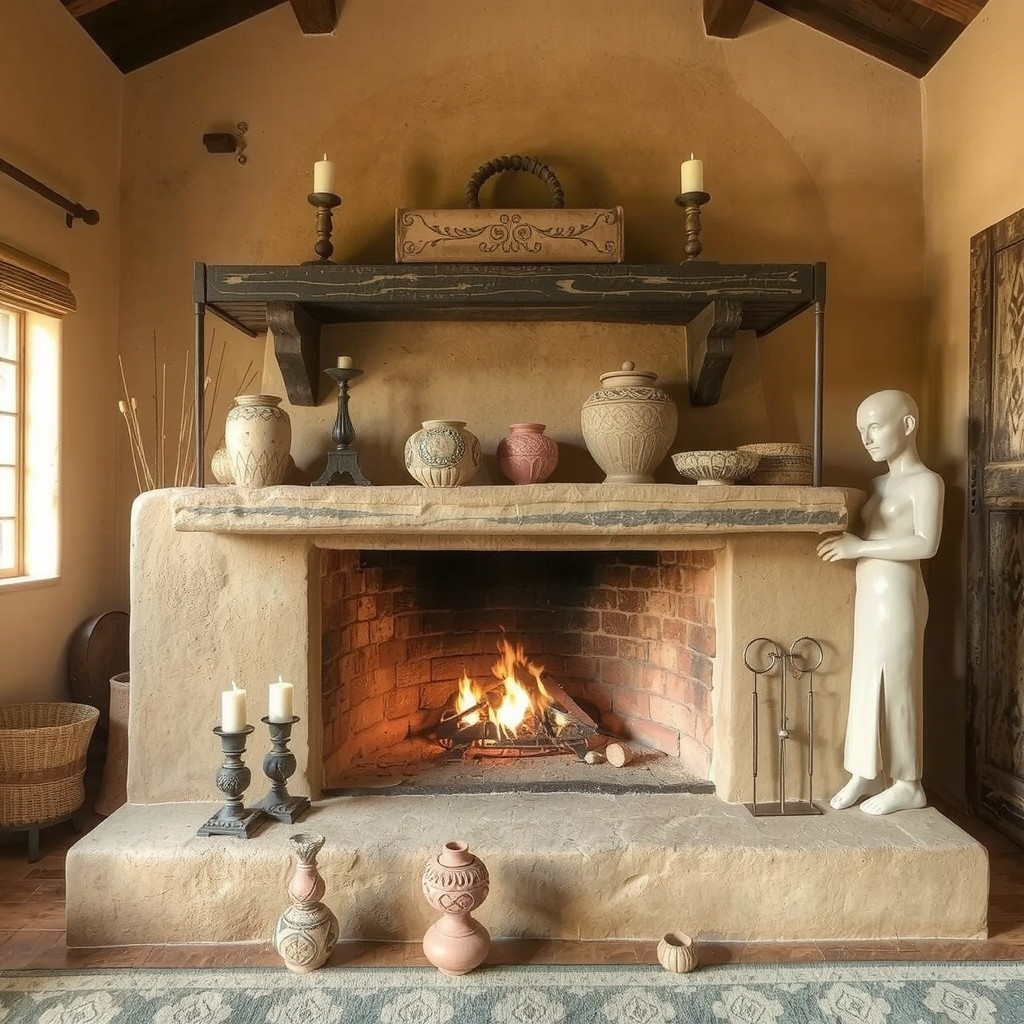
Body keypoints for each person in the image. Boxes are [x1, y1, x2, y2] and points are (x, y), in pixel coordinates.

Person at [816, 390, 944, 815]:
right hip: (871, 597)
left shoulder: (926, 482)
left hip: (899, 597)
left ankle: (909, 782)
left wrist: (858, 550)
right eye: (860, 431)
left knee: (899, 683)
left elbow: (926, 543)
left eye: (874, 426)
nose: (866, 438)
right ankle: (866, 772)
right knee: (867, 681)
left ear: (907, 425)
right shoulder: (877, 483)